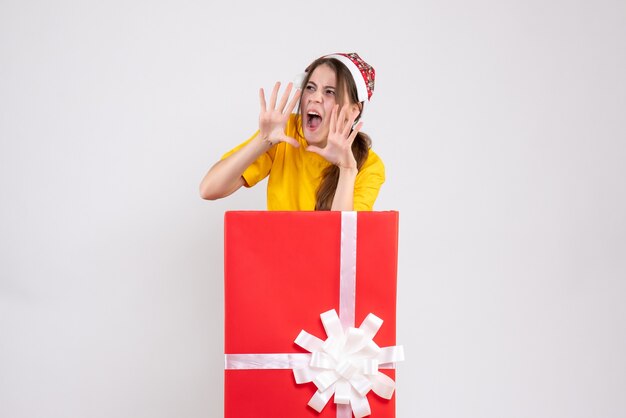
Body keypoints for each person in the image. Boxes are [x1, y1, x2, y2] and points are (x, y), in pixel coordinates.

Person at [199, 52, 384, 211]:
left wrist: (346, 170)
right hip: (278, 253)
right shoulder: (286, 133)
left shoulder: (369, 166)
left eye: (330, 92)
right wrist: (263, 141)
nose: (315, 98)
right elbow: (209, 189)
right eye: (310, 88)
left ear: (353, 111)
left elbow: (342, 243)